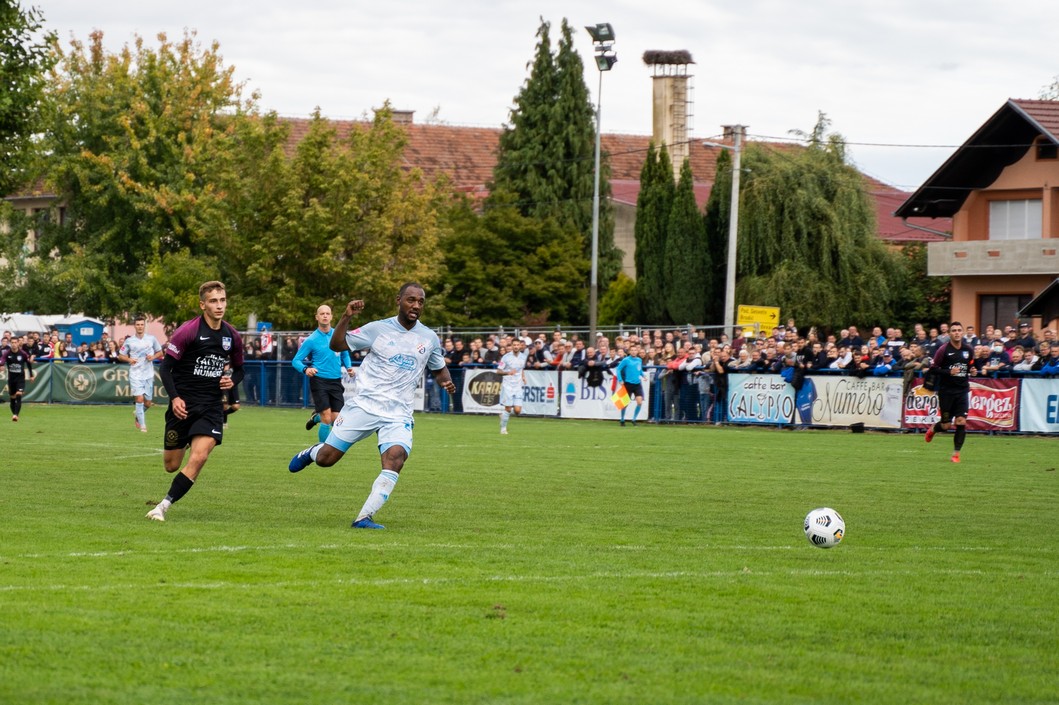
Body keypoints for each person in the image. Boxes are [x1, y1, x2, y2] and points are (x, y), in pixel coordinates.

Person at [287, 283, 456, 530]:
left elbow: (439, 367)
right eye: (411, 300)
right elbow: (337, 345)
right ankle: (312, 452)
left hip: (398, 412)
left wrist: (446, 382)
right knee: (327, 459)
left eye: (420, 302)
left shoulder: (428, 337)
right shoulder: (377, 329)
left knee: (396, 458)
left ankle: (363, 518)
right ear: (399, 300)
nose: (416, 306)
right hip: (365, 406)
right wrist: (345, 317)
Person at [146, 281, 245, 522]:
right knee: (171, 465)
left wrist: (231, 381)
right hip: (183, 406)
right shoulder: (187, 331)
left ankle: (163, 506)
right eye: (213, 301)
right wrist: (175, 398)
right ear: (203, 305)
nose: (219, 305)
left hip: (211, 406)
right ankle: (190, 436)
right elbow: (166, 368)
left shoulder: (231, 335)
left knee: (200, 456)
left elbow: (240, 369)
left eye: (222, 300)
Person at [292, 304, 355, 443]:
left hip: (336, 380)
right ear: (317, 317)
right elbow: (296, 361)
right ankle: (322, 450)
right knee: (327, 417)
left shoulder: (338, 335)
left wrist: (349, 367)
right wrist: (306, 369)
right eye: (322, 314)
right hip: (319, 380)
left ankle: (316, 418)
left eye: (328, 313)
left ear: (331, 316)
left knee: (336, 419)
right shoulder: (311, 340)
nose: (325, 316)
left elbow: (344, 354)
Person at [924, 321, 972, 463]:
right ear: (949, 333)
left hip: (962, 390)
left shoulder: (968, 349)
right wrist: (949, 371)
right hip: (946, 391)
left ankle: (956, 454)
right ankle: (934, 428)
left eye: (959, 330)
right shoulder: (943, 350)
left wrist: (972, 370)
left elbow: (969, 366)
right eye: (954, 330)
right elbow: (933, 369)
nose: (957, 332)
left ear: (962, 333)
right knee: (946, 425)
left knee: (961, 421)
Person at [117, 315, 163, 433]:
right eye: (138, 324)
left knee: (148, 403)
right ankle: (143, 426)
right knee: (139, 398)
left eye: (142, 324)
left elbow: (160, 352)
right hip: (135, 374)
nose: (140, 327)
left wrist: (152, 357)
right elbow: (120, 355)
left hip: (148, 374)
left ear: (144, 325)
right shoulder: (129, 341)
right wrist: (129, 360)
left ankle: (138, 414)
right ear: (135, 326)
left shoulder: (151, 339)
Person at [497, 337, 527, 435]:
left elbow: (521, 369)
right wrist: (508, 372)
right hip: (508, 386)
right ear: (512, 346)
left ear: (520, 346)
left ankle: (503, 415)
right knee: (508, 408)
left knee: (518, 411)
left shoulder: (523, 357)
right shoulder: (505, 357)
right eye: (514, 345)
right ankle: (503, 429)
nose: (516, 346)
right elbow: (498, 371)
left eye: (518, 345)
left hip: (518, 386)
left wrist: (523, 377)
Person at [1, 338, 35, 421]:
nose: (14, 344)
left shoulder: (23, 353)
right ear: (10, 343)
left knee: (19, 394)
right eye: (12, 342)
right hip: (11, 379)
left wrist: (31, 375)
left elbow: (28, 364)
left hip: (20, 378)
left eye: (15, 342)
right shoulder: (7, 353)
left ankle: (15, 415)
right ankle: (14, 414)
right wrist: (1, 364)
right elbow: (2, 359)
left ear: (18, 343)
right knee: (12, 398)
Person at [614, 343, 646, 426]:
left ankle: (634, 419)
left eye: (635, 350)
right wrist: (620, 379)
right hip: (628, 384)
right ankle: (622, 419)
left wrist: (643, 375)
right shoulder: (626, 360)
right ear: (629, 351)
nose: (634, 352)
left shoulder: (639, 360)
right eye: (632, 350)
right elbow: (618, 369)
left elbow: (639, 370)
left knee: (639, 402)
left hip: (637, 384)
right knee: (625, 403)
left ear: (637, 351)